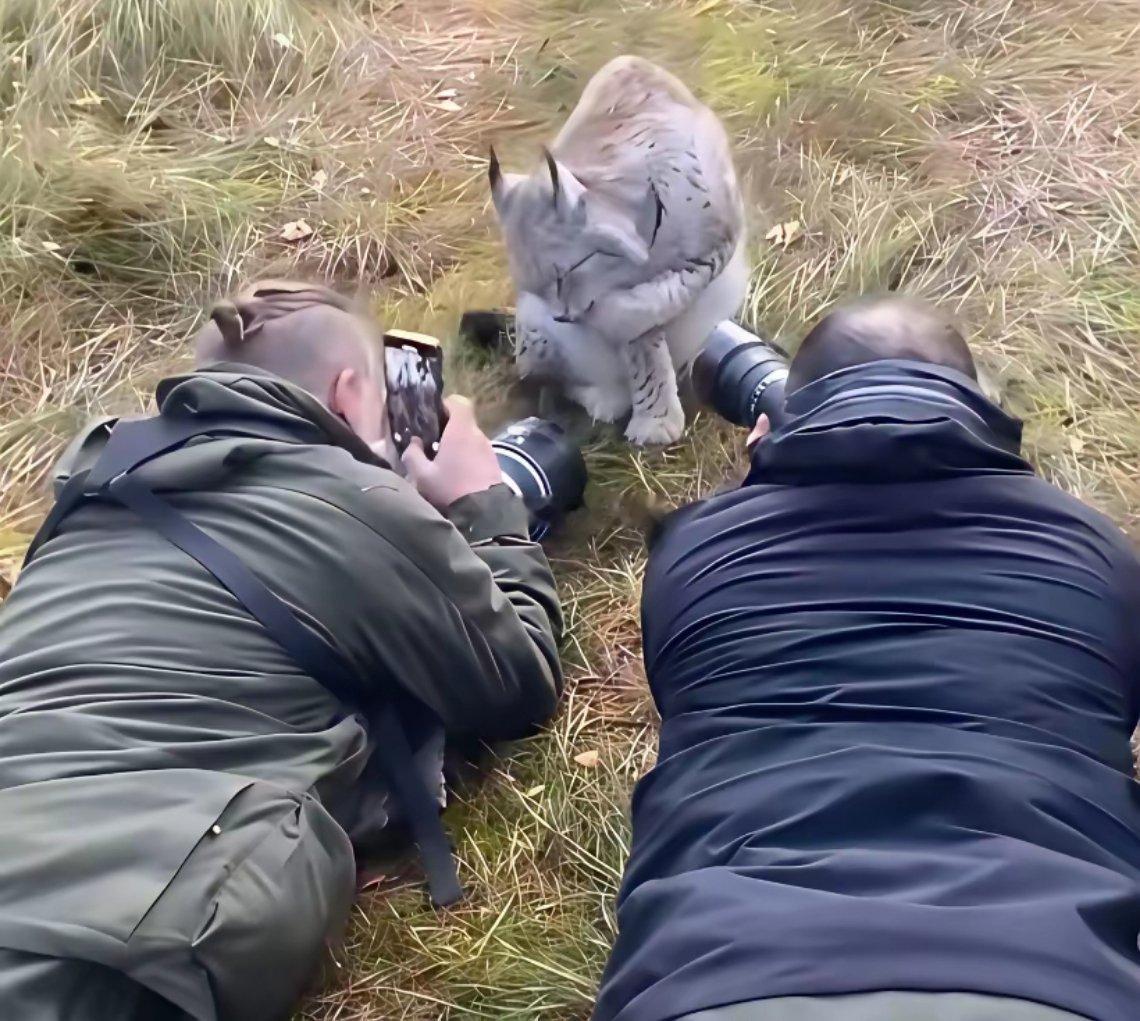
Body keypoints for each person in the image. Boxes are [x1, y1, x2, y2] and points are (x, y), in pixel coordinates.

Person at [0, 281, 564, 1020]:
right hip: (108, 916)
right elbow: (518, 679)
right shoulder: (350, 500)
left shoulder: (95, 488)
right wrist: (480, 499)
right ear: (351, 390)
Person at [595, 295, 1140, 1021]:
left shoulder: (693, 554)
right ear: (982, 411)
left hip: (723, 966)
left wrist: (763, 478)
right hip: (1056, 969)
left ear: (774, 425)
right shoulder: (1098, 556)